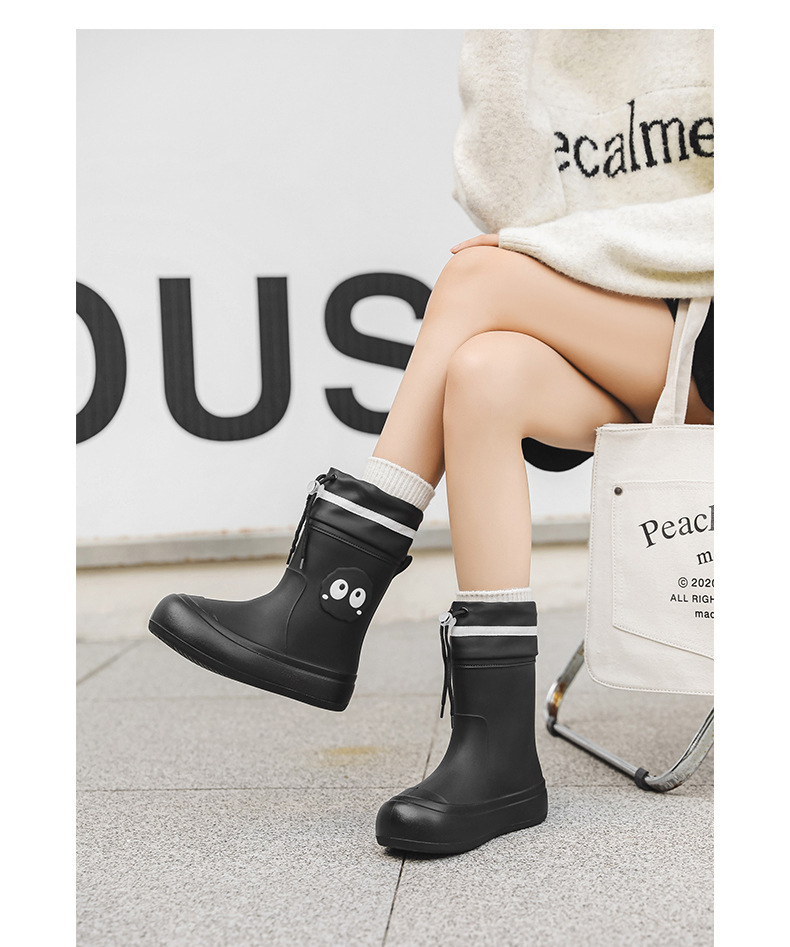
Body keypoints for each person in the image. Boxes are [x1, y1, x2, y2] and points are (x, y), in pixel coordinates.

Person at [149, 29, 713, 856]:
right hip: (646, 330)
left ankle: (329, 599)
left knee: (479, 276)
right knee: (484, 374)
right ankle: (498, 754)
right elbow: (504, 203)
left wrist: (555, 254)